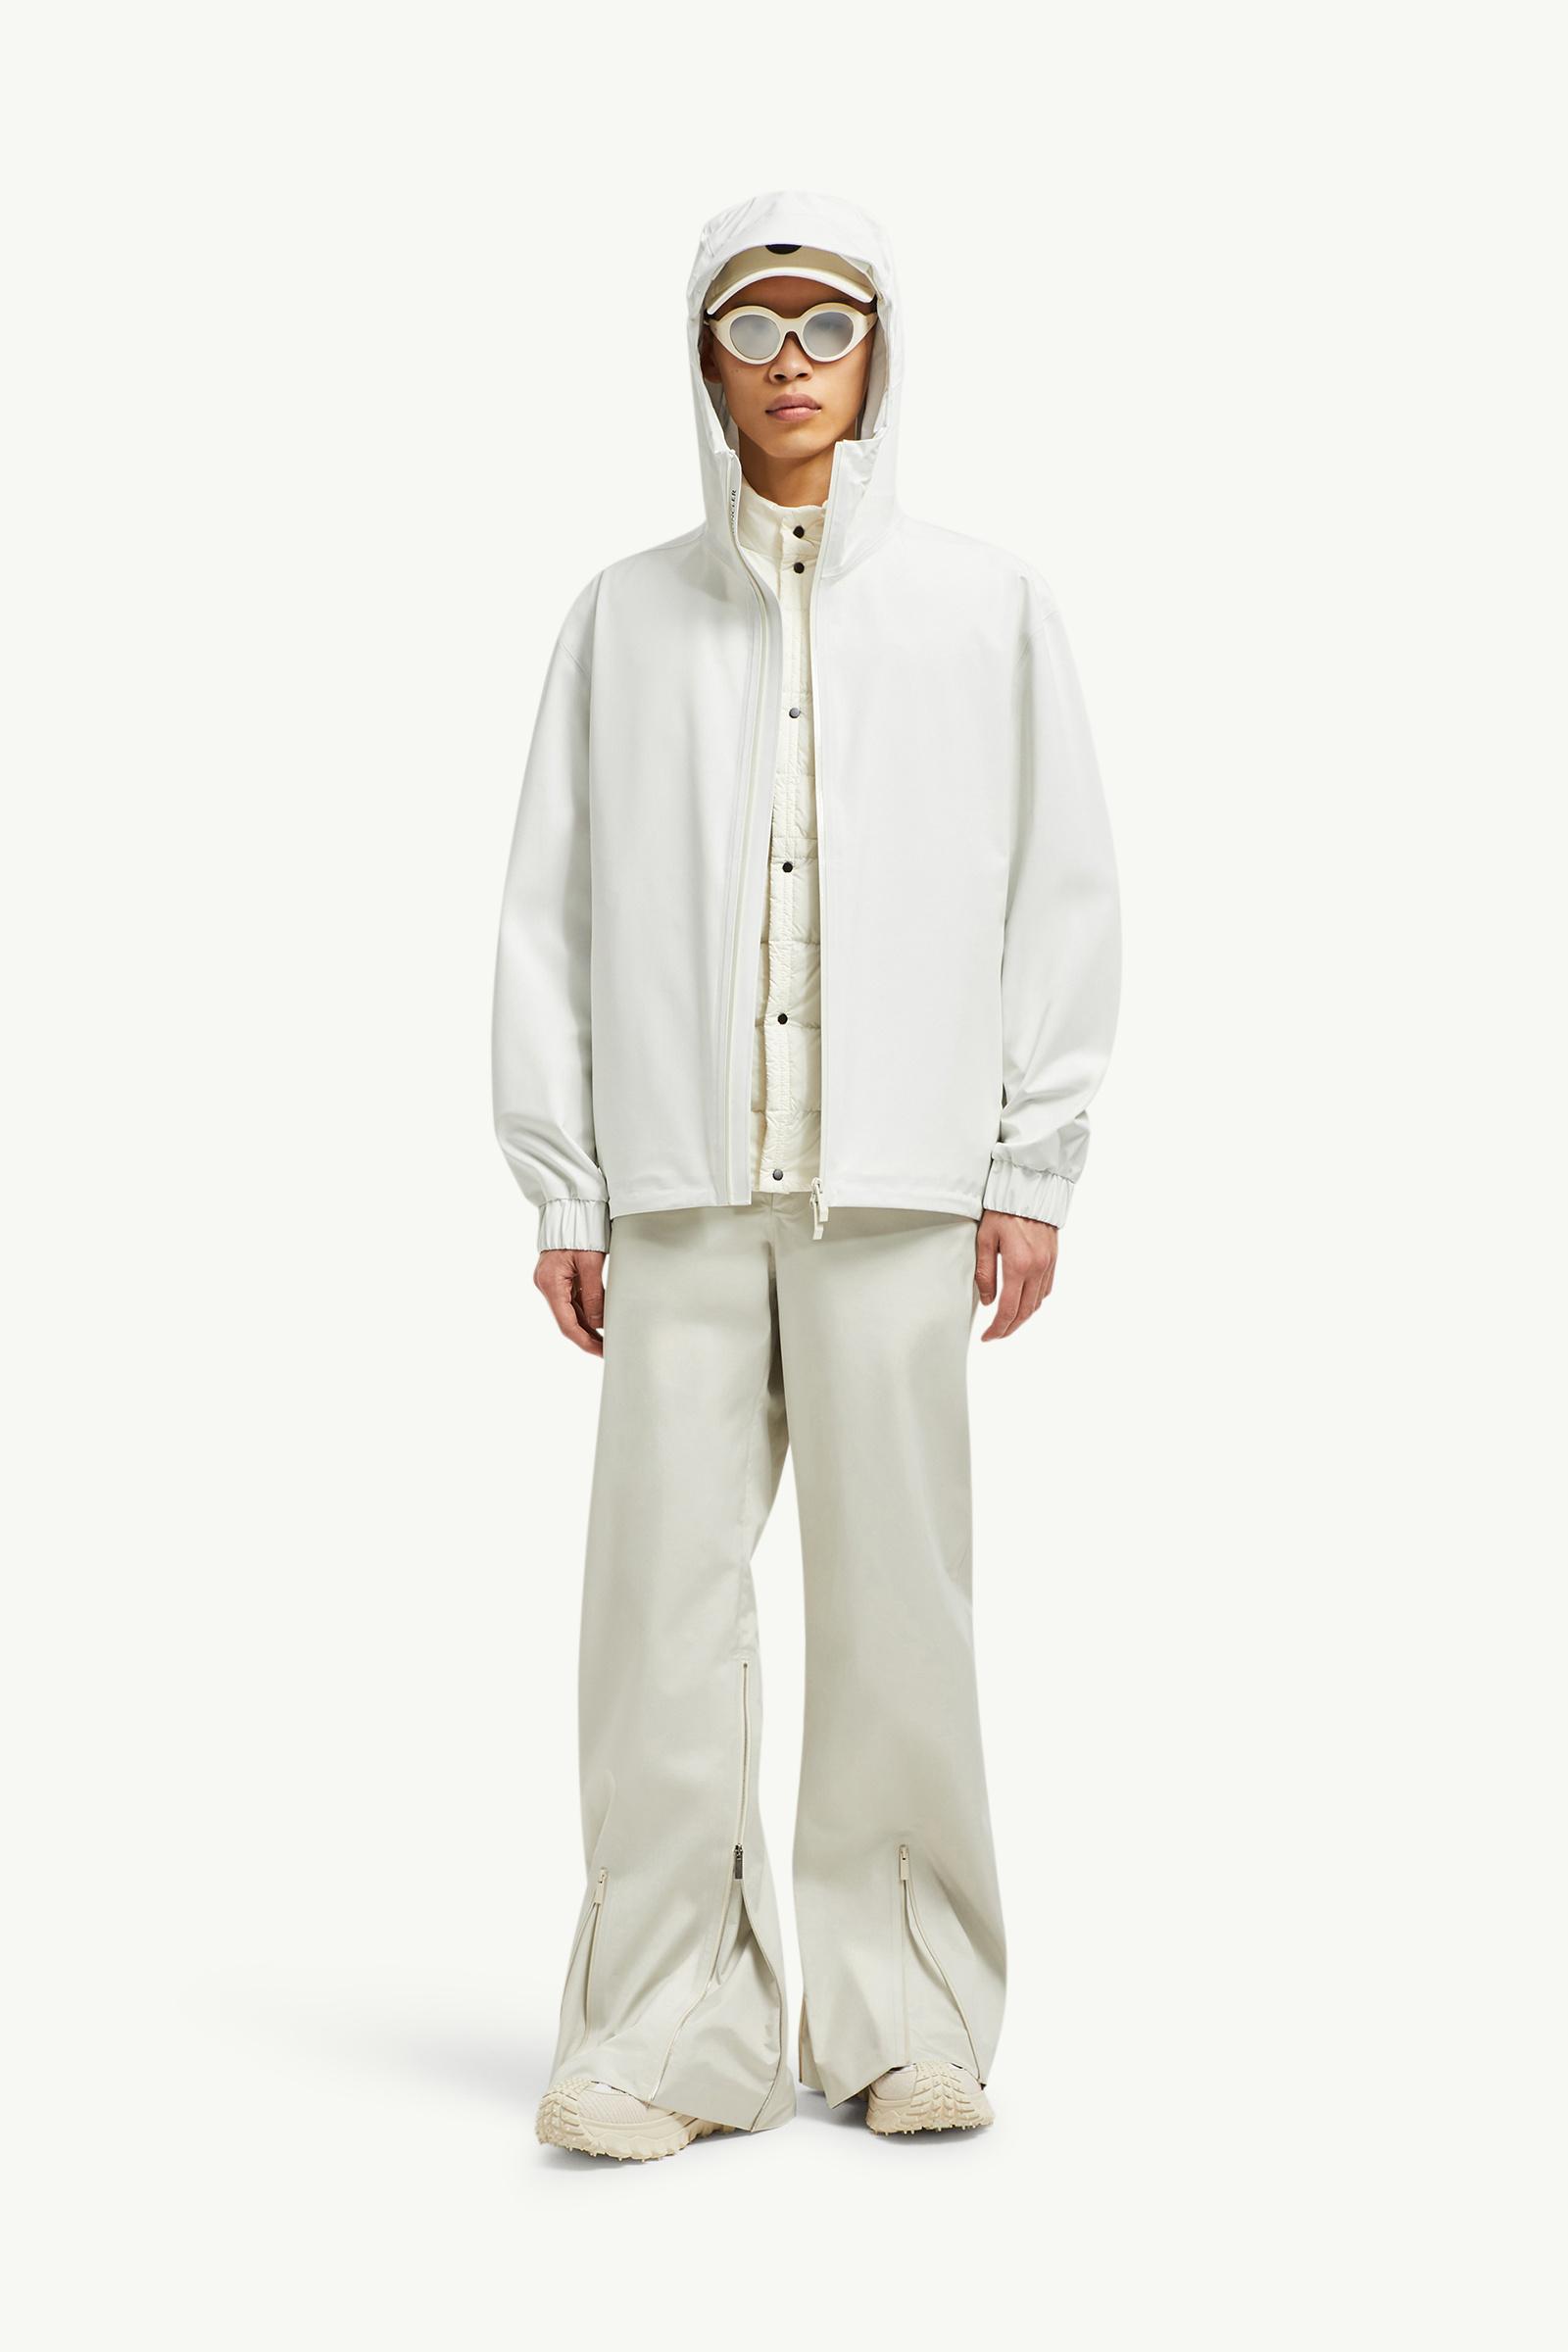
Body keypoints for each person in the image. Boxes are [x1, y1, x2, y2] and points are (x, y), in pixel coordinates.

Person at [492, 189, 1121, 2160]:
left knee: (895, 1614)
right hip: (677, 1191)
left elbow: (1059, 888)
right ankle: (664, 2028)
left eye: (824, 325)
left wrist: (1028, 1161)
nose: (789, 361)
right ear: (703, 357)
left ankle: (908, 2014)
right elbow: (552, 911)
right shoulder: (622, 618)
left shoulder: (984, 608)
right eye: (753, 325)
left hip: (901, 1190)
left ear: (876, 353)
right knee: (657, 1625)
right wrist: (565, 1184)